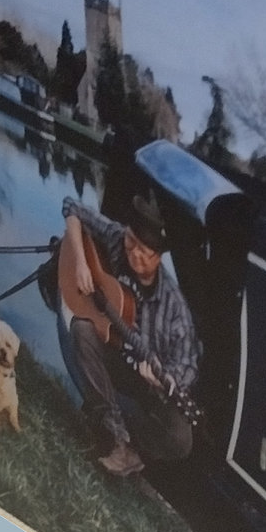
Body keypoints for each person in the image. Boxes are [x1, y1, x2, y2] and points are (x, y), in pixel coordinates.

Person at [58, 192, 200, 476]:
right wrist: (82, 264)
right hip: (112, 350)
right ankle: (113, 436)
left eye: (144, 252)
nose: (133, 253)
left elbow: (188, 364)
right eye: (130, 242)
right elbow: (71, 207)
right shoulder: (118, 238)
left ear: (158, 257)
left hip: (145, 381)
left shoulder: (174, 306)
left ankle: (134, 451)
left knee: (180, 439)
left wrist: (164, 380)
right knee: (82, 329)